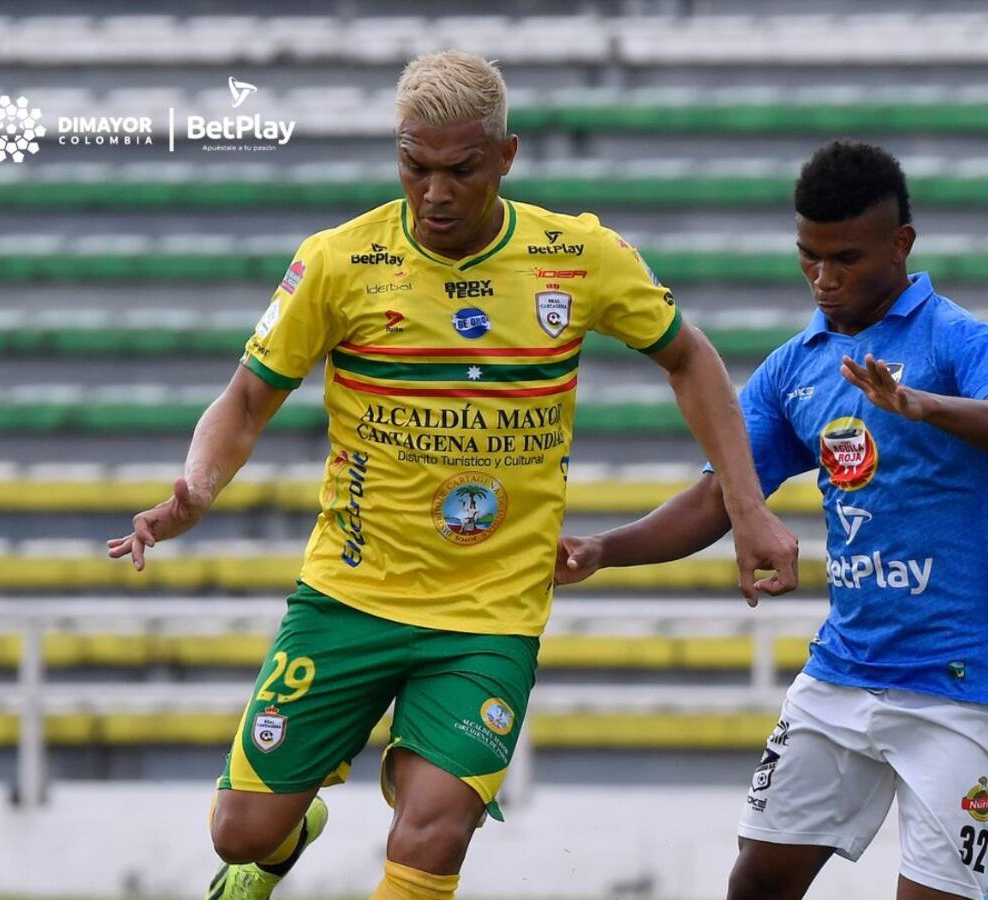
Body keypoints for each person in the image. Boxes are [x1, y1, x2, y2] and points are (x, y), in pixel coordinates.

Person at [107, 50, 798, 900]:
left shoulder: (574, 256)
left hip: (489, 612)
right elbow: (246, 400)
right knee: (240, 831)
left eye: (460, 169)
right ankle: (282, 843)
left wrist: (749, 506)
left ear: (505, 157)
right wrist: (197, 486)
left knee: (433, 832)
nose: (433, 192)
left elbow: (691, 360)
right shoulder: (337, 262)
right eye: (414, 166)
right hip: (350, 595)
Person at [555, 140, 988, 900]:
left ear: (900, 244)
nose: (823, 278)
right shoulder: (797, 366)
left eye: (844, 259)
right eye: (808, 257)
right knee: (755, 886)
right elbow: (720, 495)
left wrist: (920, 404)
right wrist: (603, 548)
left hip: (963, 687)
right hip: (845, 673)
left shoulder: (956, 339)